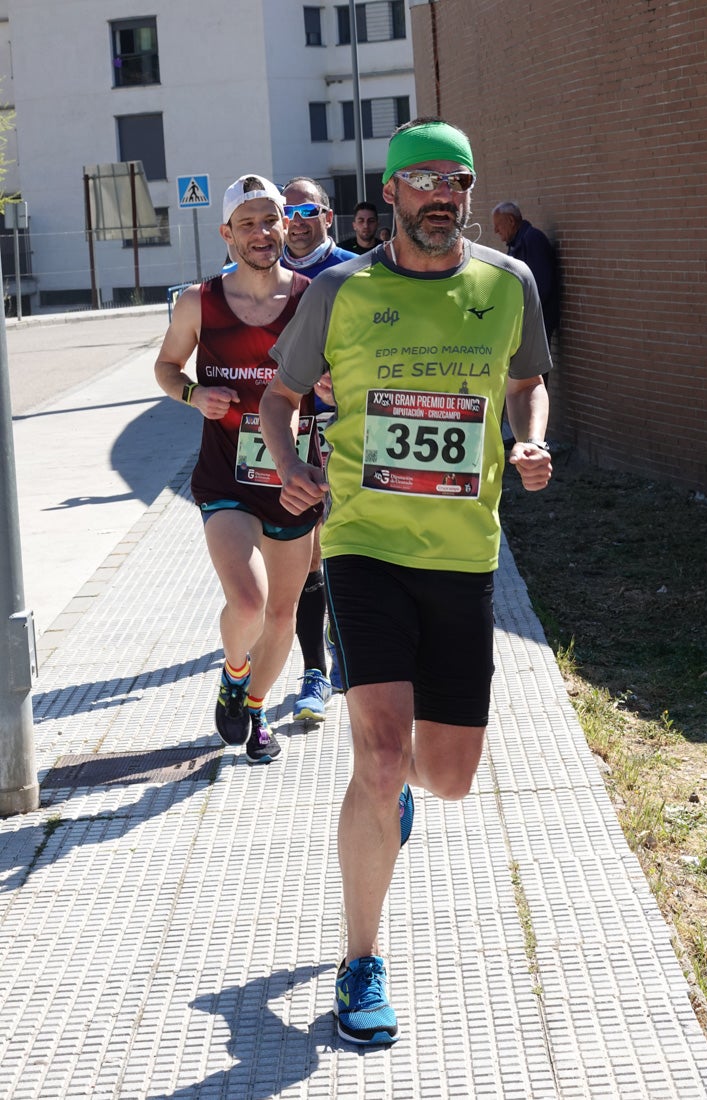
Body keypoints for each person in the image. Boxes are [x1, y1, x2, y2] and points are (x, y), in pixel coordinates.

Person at [259, 117, 553, 1045]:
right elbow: (279, 397)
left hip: (464, 550)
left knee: (449, 776)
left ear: (469, 192)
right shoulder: (339, 290)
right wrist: (287, 464)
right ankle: (359, 963)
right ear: (388, 193)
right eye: (421, 179)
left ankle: (398, 800)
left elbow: (525, 381)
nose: (441, 195)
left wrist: (529, 436)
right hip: (365, 543)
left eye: (455, 181)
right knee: (377, 753)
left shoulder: (506, 283)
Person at [154, 174, 322, 764]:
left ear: (287, 226)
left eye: (270, 221)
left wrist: (329, 386)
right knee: (249, 602)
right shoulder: (199, 302)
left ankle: (253, 710)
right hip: (225, 477)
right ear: (227, 234)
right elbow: (167, 367)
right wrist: (192, 395)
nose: (261, 233)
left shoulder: (312, 297)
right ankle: (232, 671)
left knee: (283, 612)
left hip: (292, 479)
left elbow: (344, 378)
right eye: (247, 224)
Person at [280, 176, 354, 721]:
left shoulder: (359, 271)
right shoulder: (264, 278)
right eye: (288, 211)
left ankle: (346, 652)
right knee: (305, 555)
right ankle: (315, 670)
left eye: (307, 209)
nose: (296, 219)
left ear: (328, 215)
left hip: (346, 429)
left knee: (340, 549)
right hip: (284, 435)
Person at [492, 201, 560, 380]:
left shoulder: (532, 240)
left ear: (511, 221)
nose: (495, 231)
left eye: (498, 226)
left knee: (533, 376)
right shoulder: (517, 244)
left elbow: (541, 286)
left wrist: (522, 314)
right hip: (524, 321)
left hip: (535, 321)